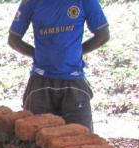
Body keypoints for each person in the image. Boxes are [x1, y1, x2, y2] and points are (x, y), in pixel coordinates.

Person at [8, 0, 110, 131]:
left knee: (80, 138)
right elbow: (13, 40)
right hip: (40, 81)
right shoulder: (31, 2)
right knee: (34, 139)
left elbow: (103, 35)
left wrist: (77, 52)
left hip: (73, 80)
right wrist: (38, 55)